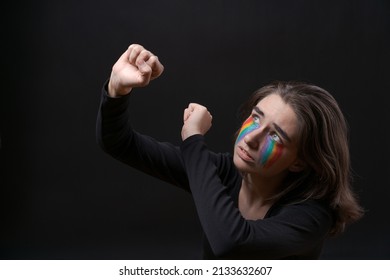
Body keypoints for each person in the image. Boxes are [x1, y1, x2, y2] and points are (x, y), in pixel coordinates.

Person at [96, 44, 364, 259]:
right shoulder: (223, 172)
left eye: (275, 135)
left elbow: (231, 242)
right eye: (256, 118)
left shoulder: (311, 216)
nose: (252, 138)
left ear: (299, 162)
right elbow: (119, 143)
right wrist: (117, 90)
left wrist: (193, 139)